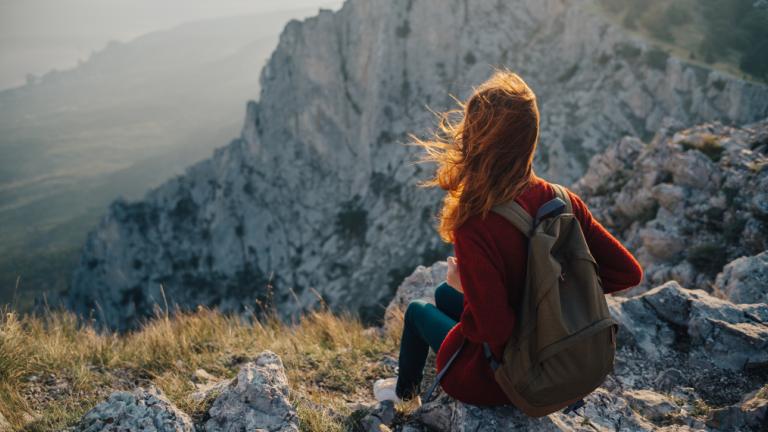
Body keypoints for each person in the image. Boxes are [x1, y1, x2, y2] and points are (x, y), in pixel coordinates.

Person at [372, 70, 643, 407]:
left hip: (507, 381)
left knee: (416, 311)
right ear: (530, 137)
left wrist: (468, 288)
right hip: (562, 354)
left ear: (476, 141)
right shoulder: (563, 201)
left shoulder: (476, 224)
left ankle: (402, 397)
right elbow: (629, 273)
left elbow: (495, 332)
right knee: (443, 294)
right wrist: (557, 299)